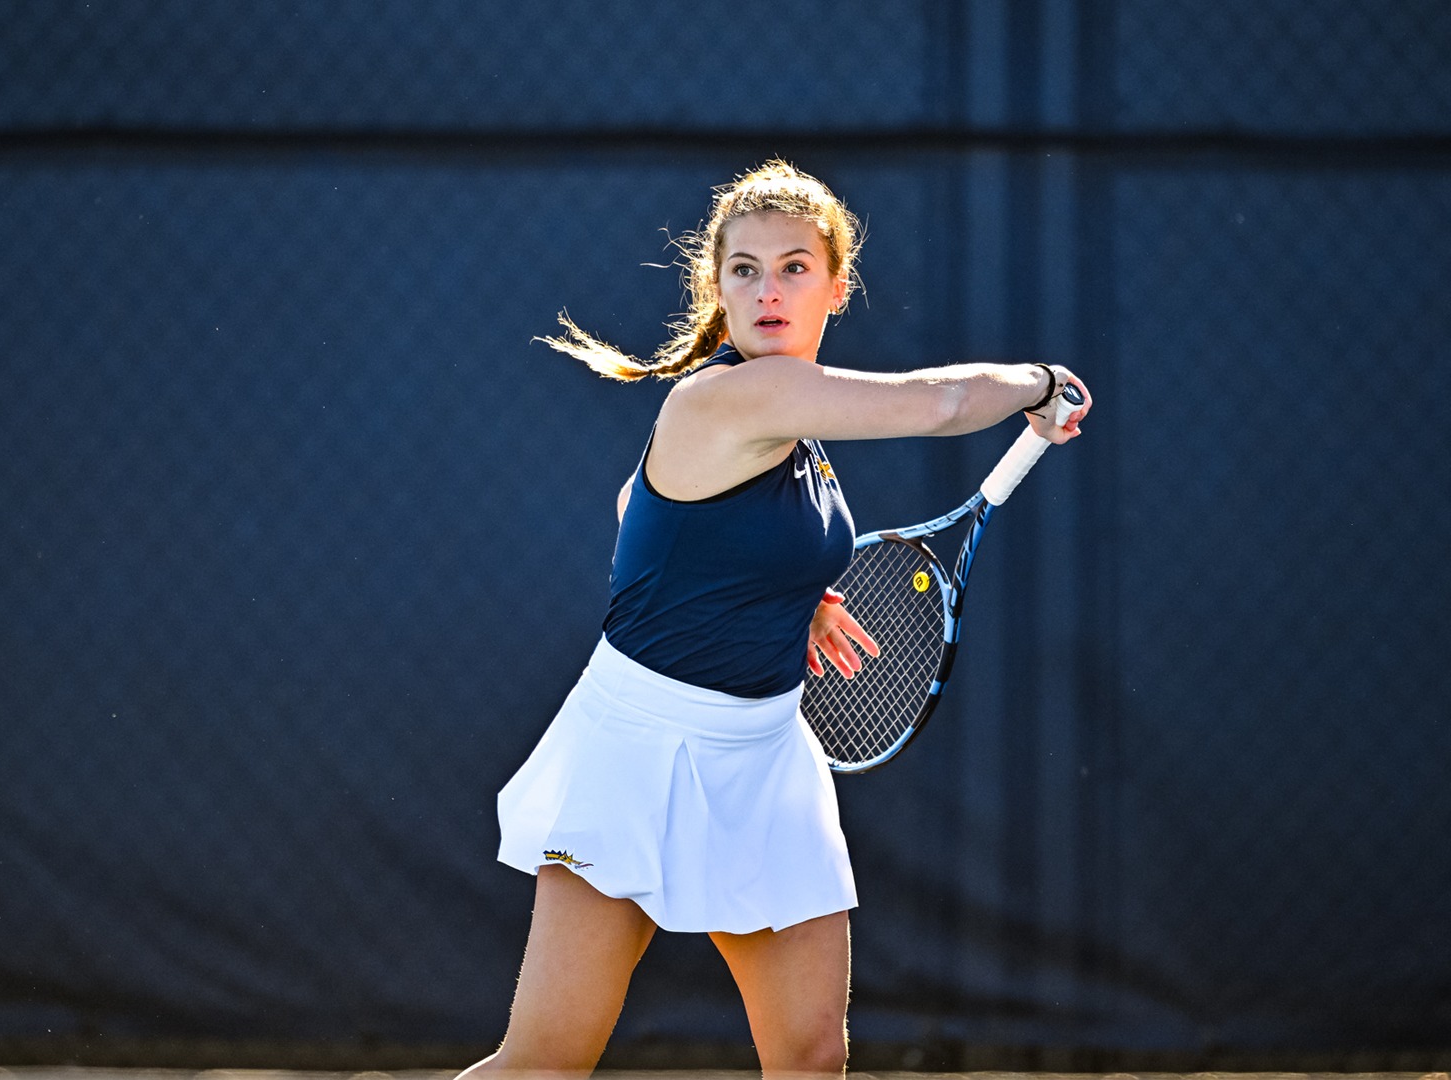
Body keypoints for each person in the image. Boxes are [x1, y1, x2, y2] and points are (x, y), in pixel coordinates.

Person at [462, 161, 1090, 1079]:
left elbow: (636, 505)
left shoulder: (788, 419)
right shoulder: (736, 395)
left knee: (808, 1058)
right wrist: (1039, 381)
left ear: (836, 285)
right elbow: (944, 403)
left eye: (795, 267)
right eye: (745, 269)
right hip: (637, 752)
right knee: (545, 1063)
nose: (768, 290)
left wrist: (767, 596)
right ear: (714, 288)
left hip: (763, 755)